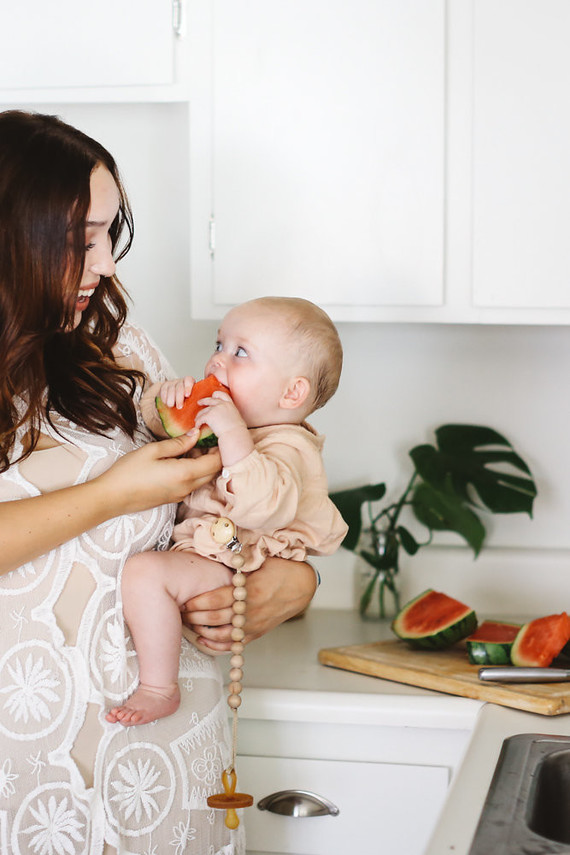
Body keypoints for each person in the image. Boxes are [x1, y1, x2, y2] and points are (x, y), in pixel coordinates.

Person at [0, 110, 318, 855]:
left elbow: (242, 500)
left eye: (110, 234)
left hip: (166, 774)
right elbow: (129, 498)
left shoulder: (121, 349)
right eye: (82, 240)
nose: (106, 264)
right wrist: (115, 492)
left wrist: (288, 583)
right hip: (23, 771)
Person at [107, 296, 348, 726]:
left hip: (237, 561)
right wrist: (164, 402)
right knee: (146, 577)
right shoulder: (230, 421)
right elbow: (157, 427)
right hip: (211, 556)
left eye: (241, 353)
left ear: (292, 392)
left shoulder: (291, 445)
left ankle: (159, 688)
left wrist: (232, 432)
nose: (218, 361)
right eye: (219, 344)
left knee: (144, 574)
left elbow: (261, 505)